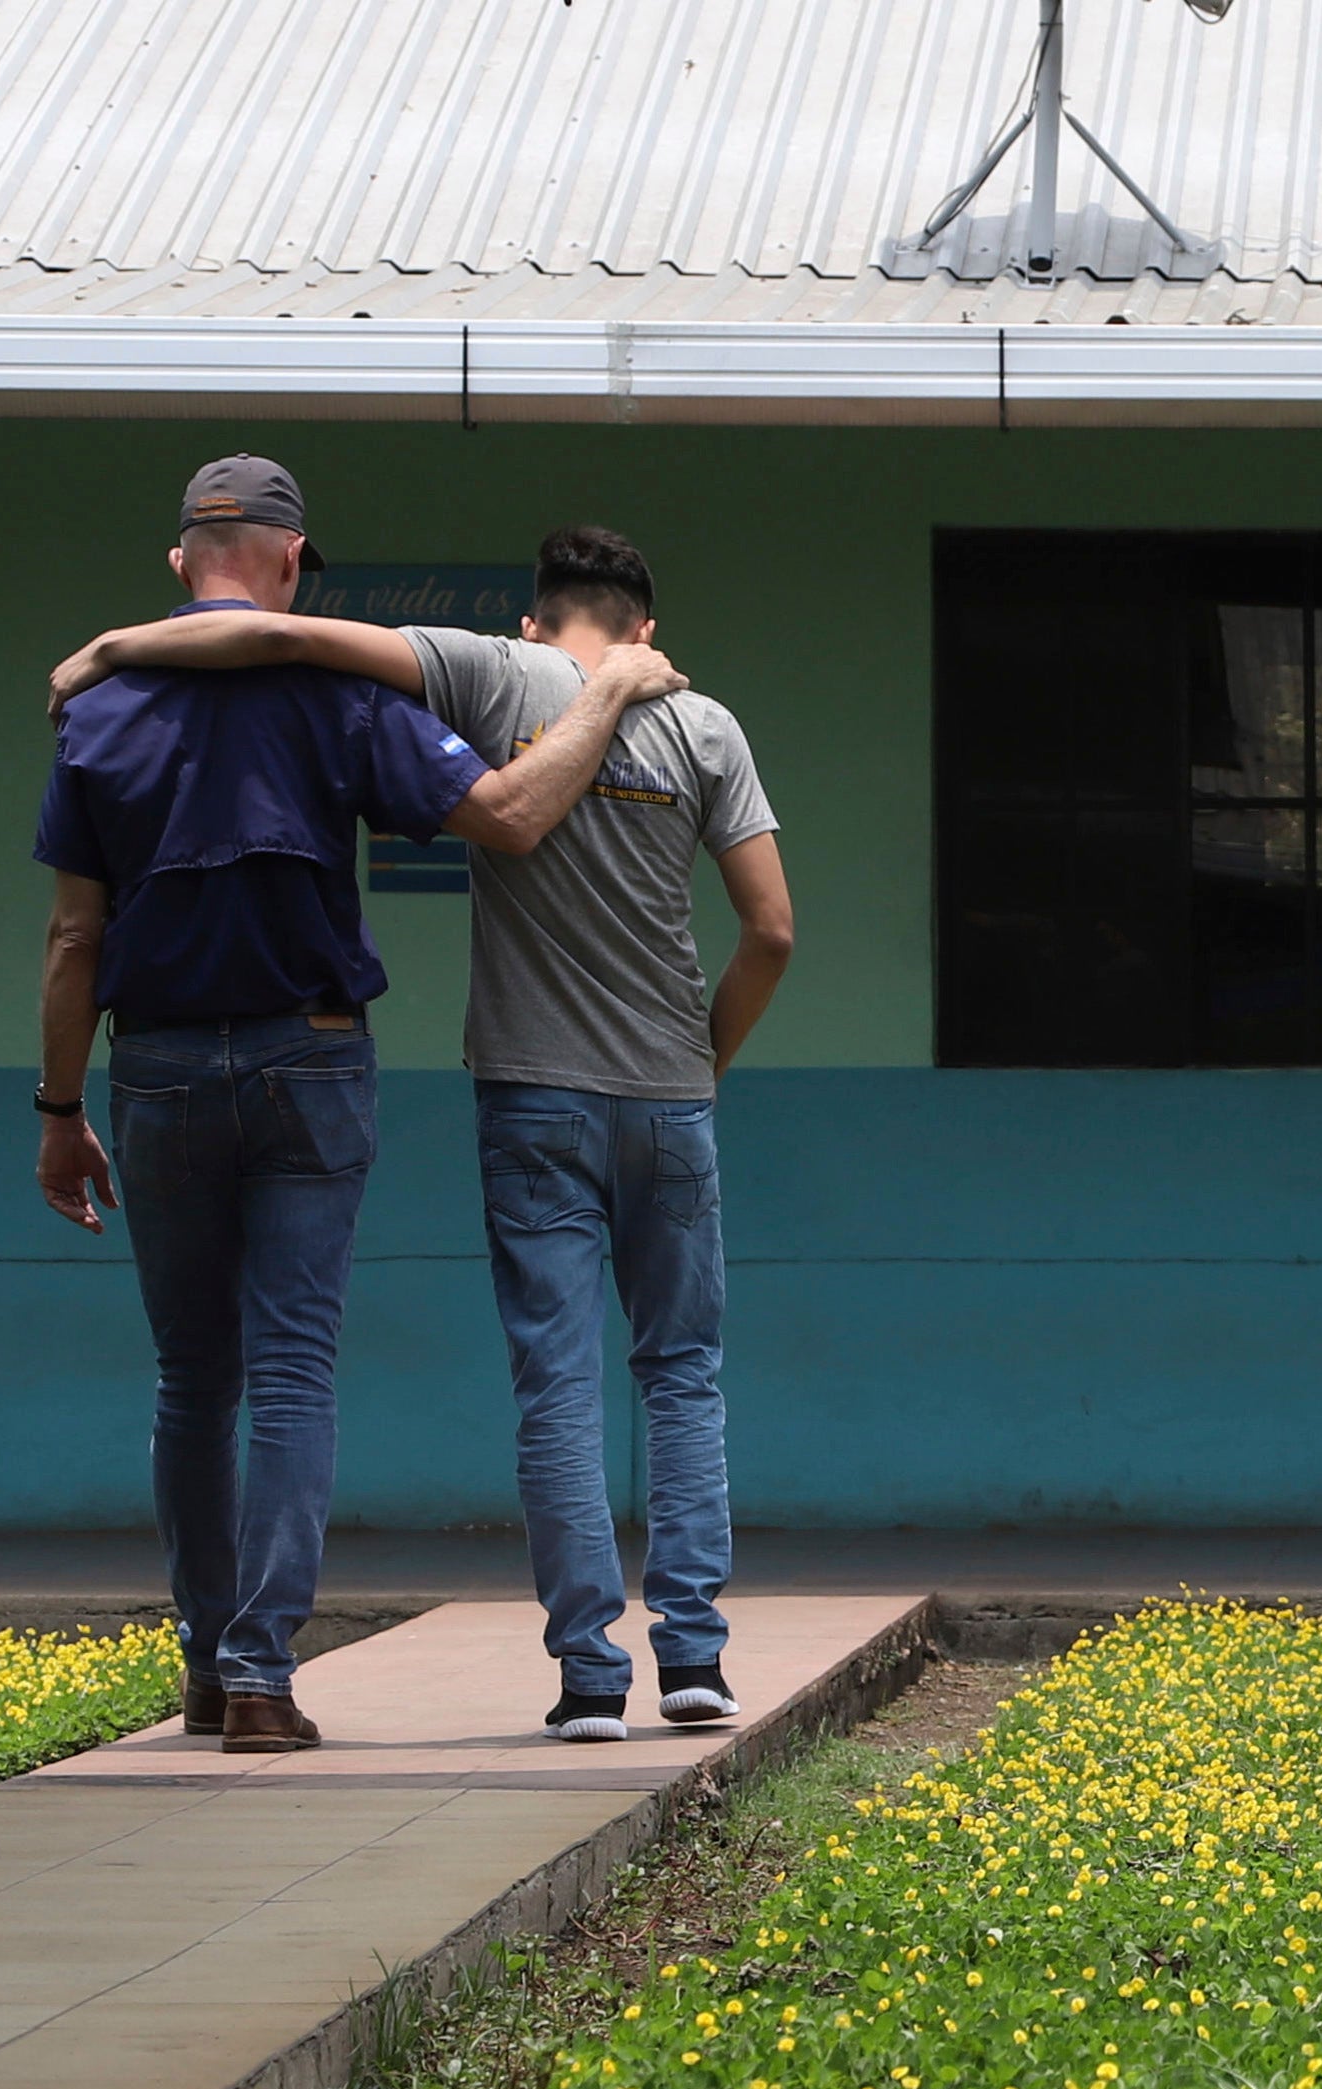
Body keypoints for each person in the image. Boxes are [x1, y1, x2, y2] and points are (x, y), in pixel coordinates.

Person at [55, 526, 791, 1742]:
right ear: (646, 630)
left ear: (534, 621)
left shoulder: (492, 675)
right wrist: (699, 1064)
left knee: (554, 1382)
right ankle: (697, 1658)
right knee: (681, 1372)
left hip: (528, 1093)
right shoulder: (704, 722)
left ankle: (589, 1676)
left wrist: (121, 644)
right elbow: (770, 931)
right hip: (670, 1096)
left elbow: (284, 635)